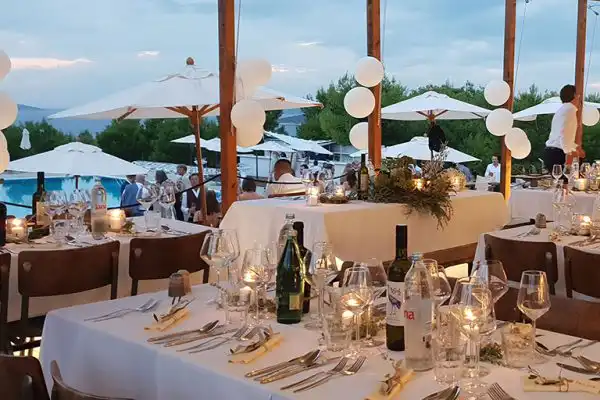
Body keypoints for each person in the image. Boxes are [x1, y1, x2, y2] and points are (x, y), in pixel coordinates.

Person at [544, 84, 583, 170]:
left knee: (558, 178)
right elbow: (565, 135)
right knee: (565, 178)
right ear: (574, 95)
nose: (579, 98)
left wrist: (576, 148)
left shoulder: (561, 110)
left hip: (551, 152)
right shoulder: (570, 110)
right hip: (558, 154)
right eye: (578, 95)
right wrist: (569, 159)